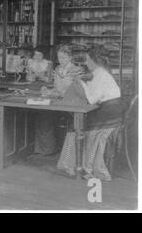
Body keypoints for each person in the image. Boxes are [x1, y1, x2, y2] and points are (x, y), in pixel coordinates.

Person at [56, 45, 123, 181]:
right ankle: (73, 164)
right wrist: (84, 82)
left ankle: (76, 166)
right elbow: (94, 93)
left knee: (77, 127)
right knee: (76, 123)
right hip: (111, 112)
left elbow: (92, 98)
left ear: (94, 60)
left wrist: (81, 82)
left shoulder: (101, 74)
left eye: (87, 60)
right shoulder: (101, 72)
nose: (86, 63)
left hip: (109, 115)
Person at [38, 45, 83, 155]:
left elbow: (79, 91)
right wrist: (48, 91)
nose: (60, 60)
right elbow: (56, 88)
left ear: (70, 57)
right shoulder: (57, 69)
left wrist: (60, 94)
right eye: (59, 57)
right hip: (57, 102)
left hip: (71, 105)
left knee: (50, 116)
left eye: (64, 58)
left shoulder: (77, 70)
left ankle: (65, 152)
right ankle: (48, 149)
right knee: (43, 115)